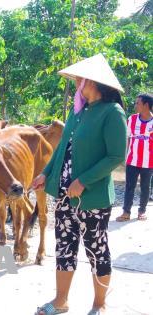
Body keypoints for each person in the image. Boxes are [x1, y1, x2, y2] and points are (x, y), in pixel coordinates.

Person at [32, 54, 127, 315]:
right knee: (64, 247)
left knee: (96, 250)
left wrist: (83, 181)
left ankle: (99, 304)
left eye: (79, 80)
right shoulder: (79, 111)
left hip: (92, 198)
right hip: (64, 196)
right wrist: (45, 173)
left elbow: (117, 156)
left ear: (94, 82)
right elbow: (63, 147)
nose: (76, 84)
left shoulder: (112, 113)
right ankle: (60, 301)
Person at [116, 93, 152, 222]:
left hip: (149, 162)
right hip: (132, 160)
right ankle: (126, 212)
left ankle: (142, 211)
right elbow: (127, 138)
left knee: (145, 187)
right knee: (129, 186)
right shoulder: (132, 119)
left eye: (138, 103)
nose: (135, 105)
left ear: (146, 105)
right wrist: (124, 156)